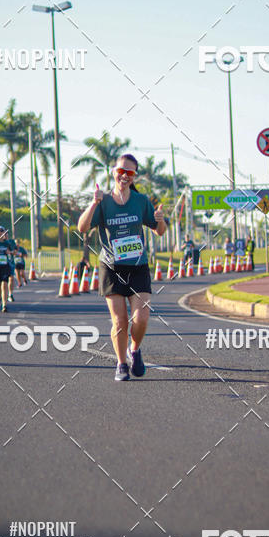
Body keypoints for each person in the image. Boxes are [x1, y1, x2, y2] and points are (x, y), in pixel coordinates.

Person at [78, 153, 167, 382]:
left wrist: (160, 219)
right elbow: (82, 227)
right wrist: (94, 202)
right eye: (121, 171)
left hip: (137, 266)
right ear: (113, 172)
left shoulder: (140, 201)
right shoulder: (104, 201)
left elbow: (159, 230)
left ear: (134, 176)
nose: (124, 176)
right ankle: (121, 363)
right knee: (120, 321)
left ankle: (134, 350)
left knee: (142, 318)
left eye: (130, 173)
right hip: (112, 267)